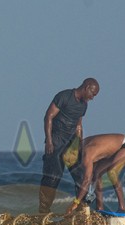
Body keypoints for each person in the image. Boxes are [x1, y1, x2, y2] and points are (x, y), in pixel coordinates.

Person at [39, 77, 100, 213]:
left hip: (71, 143)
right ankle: (44, 210)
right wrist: (49, 140)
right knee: (53, 176)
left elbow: (79, 125)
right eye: (93, 94)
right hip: (56, 140)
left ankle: (81, 208)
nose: (93, 98)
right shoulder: (64, 96)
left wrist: (79, 145)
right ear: (86, 87)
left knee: (80, 175)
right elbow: (48, 117)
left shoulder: (84, 105)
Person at [65, 133, 125, 215]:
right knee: (96, 174)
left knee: (112, 172)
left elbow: (86, 180)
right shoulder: (82, 146)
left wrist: (76, 202)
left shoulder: (87, 154)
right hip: (113, 150)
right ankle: (99, 207)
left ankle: (122, 208)